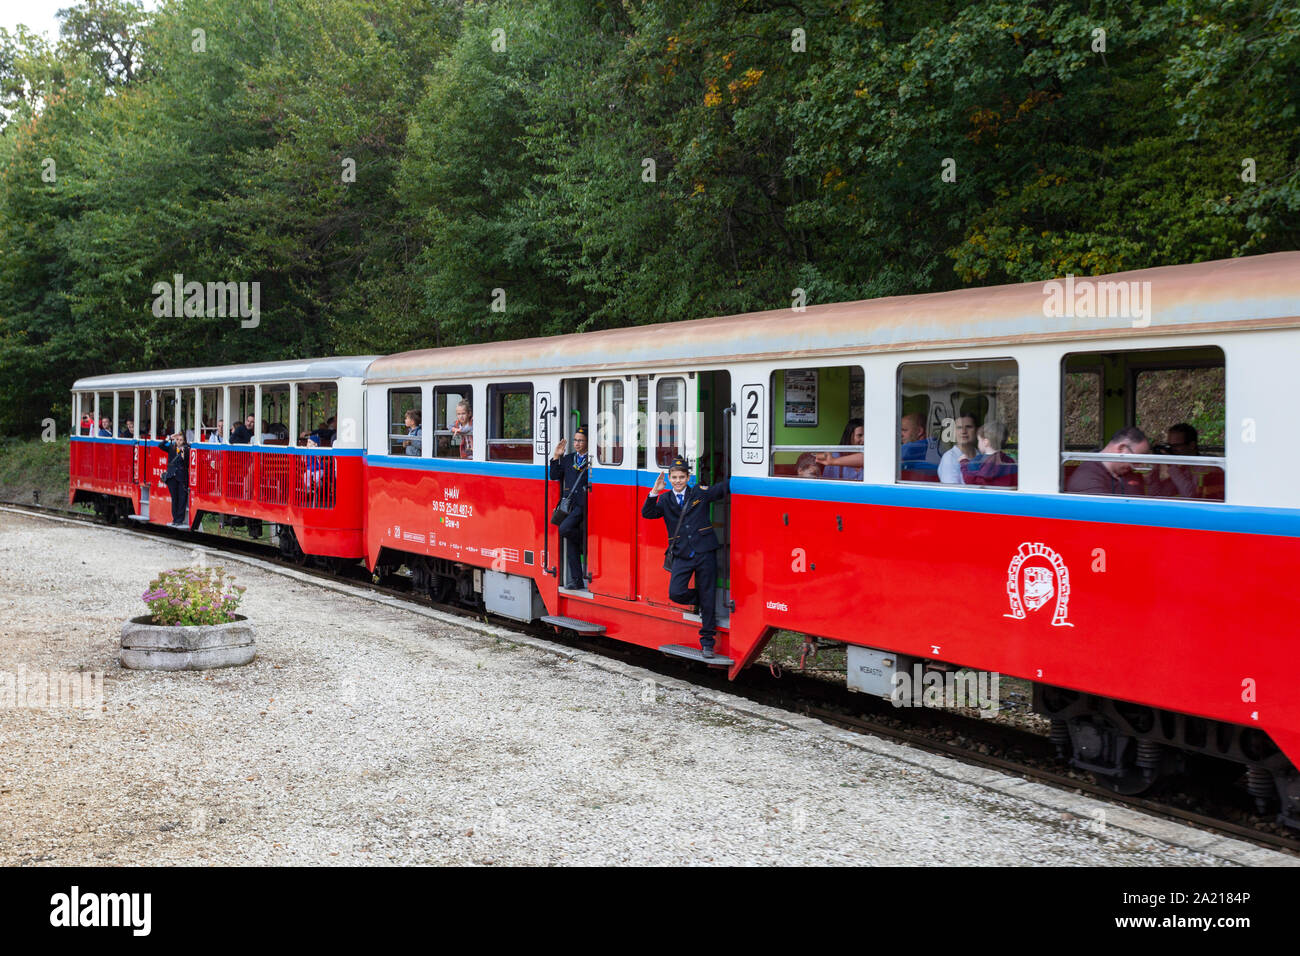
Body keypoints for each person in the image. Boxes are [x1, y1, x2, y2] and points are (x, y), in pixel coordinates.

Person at [642, 455, 729, 659]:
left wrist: (741, 477)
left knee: (708, 598)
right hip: (682, 553)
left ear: (688, 477)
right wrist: (654, 491)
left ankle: (707, 642)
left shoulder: (698, 492)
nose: (678, 480)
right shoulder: (664, 499)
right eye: (674, 477)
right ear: (669, 479)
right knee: (676, 592)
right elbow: (647, 513)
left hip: (705, 551)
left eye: (681, 477)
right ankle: (699, 598)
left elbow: (718, 491)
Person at [550, 426, 590, 590]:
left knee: (564, 529)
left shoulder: (593, 460)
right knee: (569, 539)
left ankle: (582, 541)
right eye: (575, 440)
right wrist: (556, 456)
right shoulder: (568, 459)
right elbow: (554, 476)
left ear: (587, 442)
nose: (577, 443)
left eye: (580, 440)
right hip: (571, 505)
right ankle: (577, 580)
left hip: (585, 505)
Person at [1065, 426, 1149, 495]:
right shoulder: (1086, 479)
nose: (1136, 466)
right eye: (1135, 461)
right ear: (1121, 449)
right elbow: (1106, 513)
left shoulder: (1129, 474)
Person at [1146, 423, 1199, 499]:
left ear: (1191, 445)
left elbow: (1190, 495)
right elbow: (1155, 495)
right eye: (1170, 446)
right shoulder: (1181, 470)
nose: (1172, 450)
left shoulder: (1206, 467)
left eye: (1176, 446)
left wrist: (1171, 465)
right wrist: (1156, 467)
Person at [963, 421, 1017, 487]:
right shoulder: (1010, 461)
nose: (978, 443)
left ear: (986, 442)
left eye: (979, 440)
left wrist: (963, 463)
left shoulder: (978, 461)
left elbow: (969, 480)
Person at [159, 432, 190, 527]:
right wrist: (169, 437)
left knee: (182, 497)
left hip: (182, 476)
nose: (179, 442)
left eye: (181, 440)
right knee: (174, 498)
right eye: (177, 440)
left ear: (184, 441)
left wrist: (185, 457)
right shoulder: (171, 448)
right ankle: (175, 518)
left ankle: (180, 519)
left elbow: (187, 464)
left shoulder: (187, 449)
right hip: (171, 476)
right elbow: (160, 445)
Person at [938, 413, 978, 484]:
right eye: (959, 427)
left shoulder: (982, 456)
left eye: (968, 427)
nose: (963, 431)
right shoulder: (950, 458)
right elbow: (952, 493)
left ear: (976, 431)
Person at [899, 411, 941, 477]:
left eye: (904, 430)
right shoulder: (937, 445)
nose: (900, 434)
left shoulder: (908, 448)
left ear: (919, 431)